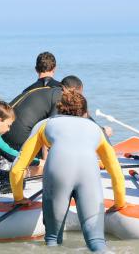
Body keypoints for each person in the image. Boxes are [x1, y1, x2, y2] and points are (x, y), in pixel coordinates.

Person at [10, 89, 126, 252]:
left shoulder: (45, 125)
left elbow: (17, 168)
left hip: (58, 174)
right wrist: (119, 202)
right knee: (97, 242)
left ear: (59, 109)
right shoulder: (96, 129)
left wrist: (19, 197)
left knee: (52, 240)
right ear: (85, 112)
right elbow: (115, 171)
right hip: (89, 176)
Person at [3, 75, 111, 151]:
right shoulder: (59, 96)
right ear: (71, 89)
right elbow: (55, 128)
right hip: (19, 134)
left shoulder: (51, 92)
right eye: (79, 94)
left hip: (5, 132)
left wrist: (100, 130)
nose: (79, 99)